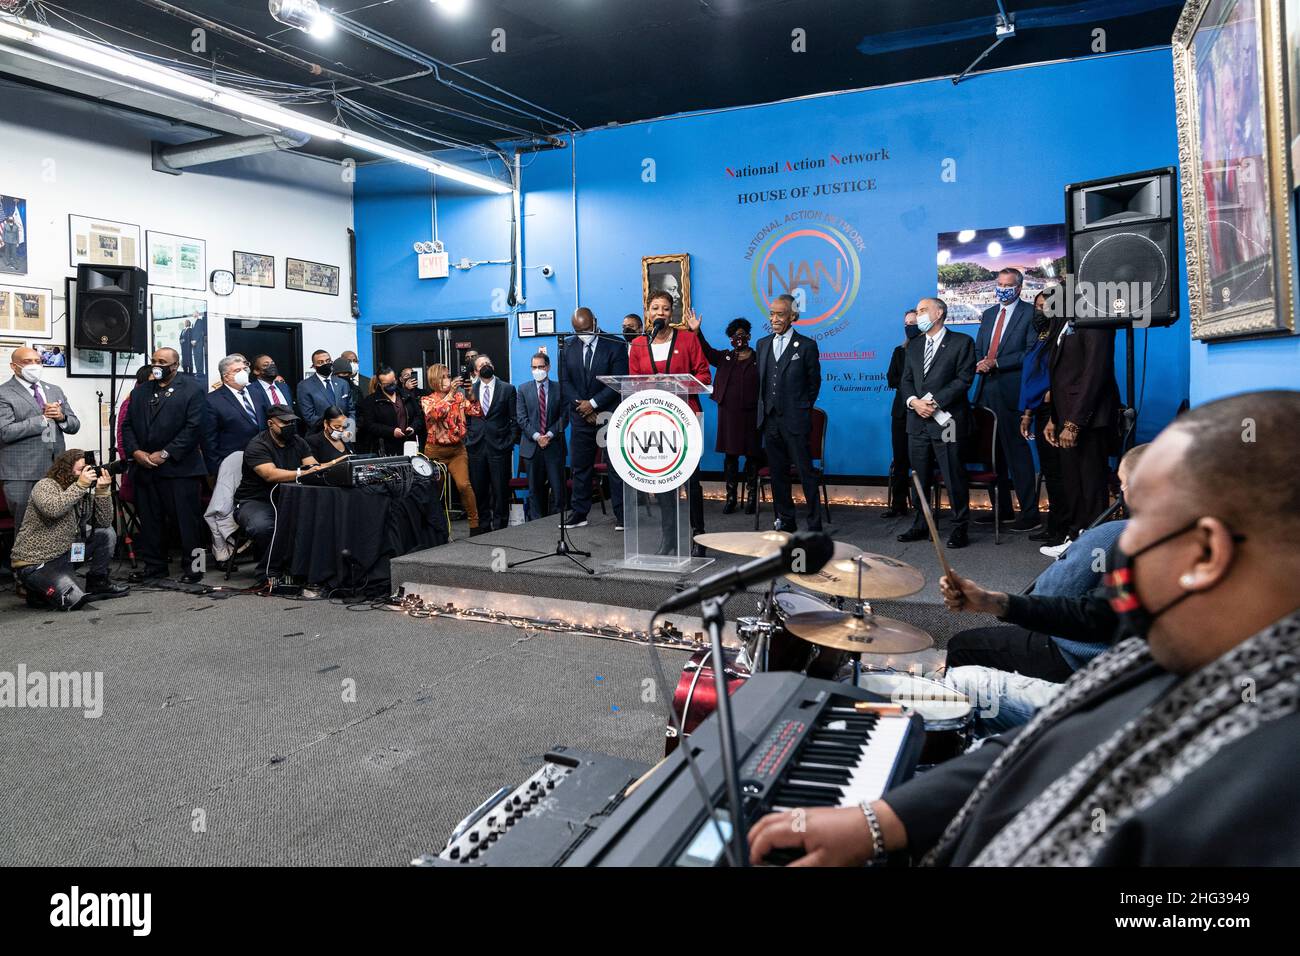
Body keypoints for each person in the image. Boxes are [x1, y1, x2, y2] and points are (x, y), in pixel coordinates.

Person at [748, 390, 1300, 867]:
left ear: (1206, 553)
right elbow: (1050, 739)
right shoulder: (1170, 643)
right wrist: (880, 820)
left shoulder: (1270, 788)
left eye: (1143, 519)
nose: (1121, 541)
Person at [630, 294, 712, 554]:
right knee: (664, 482)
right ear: (648, 312)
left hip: (686, 417)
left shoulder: (688, 339)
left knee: (691, 480)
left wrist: (678, 382)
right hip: (655, 420)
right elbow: (632, 382)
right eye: (655, 308)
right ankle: (669, 538)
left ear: (671, 314)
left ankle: (698, 536)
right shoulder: (640, 344)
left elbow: (704, 374)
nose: (660, 313)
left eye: (665, 309)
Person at [122, 347, 208, 585]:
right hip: (145, 467)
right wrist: (136, 452)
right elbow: (127, 426)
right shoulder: (140, 392)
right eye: (153, 361)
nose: (157, 365)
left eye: (162, 362)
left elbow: (194, 428)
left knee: (188, 523)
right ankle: (154, 567)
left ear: (175, 365)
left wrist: (166, 453)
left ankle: (196, 567)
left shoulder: (192, 389)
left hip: (180, 469)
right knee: (150, 522)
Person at [896, 297, 976, 549]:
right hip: (916, 423)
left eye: (923, 310)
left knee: (953, 475)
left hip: (947, 423)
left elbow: (963, 380)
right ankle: (922, 523)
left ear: (939, 312)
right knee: (919, 477)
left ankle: (959, 527)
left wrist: (934, 403)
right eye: (917, 310)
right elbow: (905, 380)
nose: (918, 315)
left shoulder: (962, 342)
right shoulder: (914, 346)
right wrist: (913, 402)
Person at [10, 448, 128, 609]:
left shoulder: (80, 492)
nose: (86, 474)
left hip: (65, 555)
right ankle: (35, 589)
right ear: (66, 469)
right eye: (81, 470)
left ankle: (98, 582)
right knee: (74, 600)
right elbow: (53, 509)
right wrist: (80, 485)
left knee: (105, 533)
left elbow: (104, 522)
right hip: (35, 562)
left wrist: (102, 491)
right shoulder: (45, 485)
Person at [1043, 317, 1121, 555]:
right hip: (1063, 415)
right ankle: (1075, 539)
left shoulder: (1097, 320)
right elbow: (1058, 378)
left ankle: (1095, 548)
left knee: (1091, 484)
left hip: (1089, 420)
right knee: (1072, 482)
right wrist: (1053, 418)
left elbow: (1093, 375)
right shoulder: (1061, 322)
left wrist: (1074, 424)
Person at [973, 268, 1040, 532]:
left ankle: (1031, 514)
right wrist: (980, 361)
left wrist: (997, 362)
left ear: (1019, 288)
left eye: (1007, 285)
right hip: (985, 394)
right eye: (999, 283)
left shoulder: (1030, 314)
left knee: (1018, 456)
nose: (1002, 288)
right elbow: (980, 347)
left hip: (1013, 394)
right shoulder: (989, 314)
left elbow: (1030, 354)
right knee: (992, 457)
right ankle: (1003, 509)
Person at [233, 405, 324, 584]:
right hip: (255, 500)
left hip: (289, 498)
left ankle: (297, 568)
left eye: (292, 422)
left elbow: (312, 466)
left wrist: (318, 469)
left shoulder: (298, 442)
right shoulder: (258, 445)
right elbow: (270, 474)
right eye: (285, 422)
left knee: (318, 520)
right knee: (265, 527)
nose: (290, 425)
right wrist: (302, 473)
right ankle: (269, 572)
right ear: (270, 424)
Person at [755, 294, 823, 533]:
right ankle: (786, 520)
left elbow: (814, 383)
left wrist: (801, 408)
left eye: (780, 314)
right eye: (772, 313)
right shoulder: (762, 344)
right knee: (778, 475)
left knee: (806, 474)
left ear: (793, 316)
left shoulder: (806, 345)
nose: (774, 318)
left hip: (795, 421)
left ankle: (815, 523)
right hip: (770, 421)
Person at [0, 346, 81, 540]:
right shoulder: (4, 393)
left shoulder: (54, 390)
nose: (34, 365)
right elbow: (4, 432)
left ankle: (54, 568)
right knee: (26, 528)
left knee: (58, 524)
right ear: (14, 366)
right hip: (22, 473)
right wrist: (42, 420)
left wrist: (61, 417)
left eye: (38, 361)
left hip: (56, 470)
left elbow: (74, 424)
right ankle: (26, 570)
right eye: (28, 362)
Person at [560, 307, 627, 530]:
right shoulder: (567, 345)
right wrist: (583, 408)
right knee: (580, 466)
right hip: (580, 416)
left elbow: (618, 381)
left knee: (614, 466)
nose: (584, 334)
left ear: (595, 322)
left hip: (608, 413)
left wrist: (594, 404)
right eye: (579, 331)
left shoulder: (615, 344)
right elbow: (565, 382)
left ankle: (622, 515)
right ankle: (579, 513)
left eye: (587, 329)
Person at [687, 311, 760, 515]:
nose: (739, 338)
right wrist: (697, 332)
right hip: (729, 414)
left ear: (749, 336)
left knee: (753, 457)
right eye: (735, 335)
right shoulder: (724, 358)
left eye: (743, 334)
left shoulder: (759, 358)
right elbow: (706, 351)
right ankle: (731, 498)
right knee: (731, 457)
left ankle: (752, 497)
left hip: (753, 414)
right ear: (730, 338)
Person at [1019, 292, 1067, 547]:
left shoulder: (1062, 337)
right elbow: (1030, 377)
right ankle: (1055, 525)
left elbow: (1059, 377)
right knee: (1050, 470)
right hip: (1037, 409)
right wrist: (1027, 412)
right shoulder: (1040, 336)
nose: (1040, 311)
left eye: (1046, 306)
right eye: (1037, 306)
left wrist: (1054, 412)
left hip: (1055, 411)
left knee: (1059, 473)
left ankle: (1063, 529)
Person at [421, 363, 482, 537]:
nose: (448, 379)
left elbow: (477, 411)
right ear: (435, 380)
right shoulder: (427, 400)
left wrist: (471, 393)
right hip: (435, 451)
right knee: (435, 491)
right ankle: (434, 527)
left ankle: (475, 525)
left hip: (457, 450)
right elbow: (436, 414)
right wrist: (450, 394)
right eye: (444, 377)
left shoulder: (459, 397)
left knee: (464, 485)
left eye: (448, 376)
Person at [465, 354, 518, 532]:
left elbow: (514, 419)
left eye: (488, 362)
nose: (486, 366)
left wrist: (509, 442)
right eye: (481, 365)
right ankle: (484, 527)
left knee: (500, 490)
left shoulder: (508, 389)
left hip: (500, 447)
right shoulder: (469, 390)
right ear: (475, 371)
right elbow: (464, 419)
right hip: (476, 447)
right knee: (479, 490)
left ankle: (501, 527)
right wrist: (467, 440)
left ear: (493, 366)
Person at [516, 351, 567, 520]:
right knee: (535, 490)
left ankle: (560, 522)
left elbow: (564, 416)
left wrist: (549, 435)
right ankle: (537, 526)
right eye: (534, 367)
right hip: (532, 447)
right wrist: (538, 436)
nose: (537, 370)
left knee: (558, 489)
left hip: (554, 445)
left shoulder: (560, 388)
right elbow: (521, 419)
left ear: (548, 367)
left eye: (541, 366)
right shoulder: (523, 389)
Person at [882, 309, 920, 519]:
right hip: (901, 412)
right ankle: (898, 504)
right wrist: (908, 388)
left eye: (913, 322)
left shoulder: (928, 351)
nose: (909, 326)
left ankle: (920, 505)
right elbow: (892, 378)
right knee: (900, 459)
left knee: (920, 461)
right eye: (906, 323)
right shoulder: (900, 351)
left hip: (923, 412)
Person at [202, 354, 264, 477]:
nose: (243, 372)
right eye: (237, 370)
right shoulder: (212, 400)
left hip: (262, 460)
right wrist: (217, 470)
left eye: (244, 369)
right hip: (232, 464)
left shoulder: (257, 392)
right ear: (226, 376)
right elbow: (209, 440)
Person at [357, 366, 424, 456]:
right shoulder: (371, 401)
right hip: (385, 448)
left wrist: (413, 427)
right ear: (380, 384)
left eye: (393, 382)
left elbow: (418, 416)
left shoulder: (406, 395)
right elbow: (369, 425)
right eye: (387, 384)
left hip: (408, 445)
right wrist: (391, 431)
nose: (391, 385)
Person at [299, 350, 341, 428]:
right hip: (320, 434)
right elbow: (309, 417)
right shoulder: (305, 386)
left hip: (345, 434)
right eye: (320, 362)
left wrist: (349, 431)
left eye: (328, 361)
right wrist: (333, 426)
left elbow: (351, 410)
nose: (325, 364)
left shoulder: (342, 383)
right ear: (314, 366)